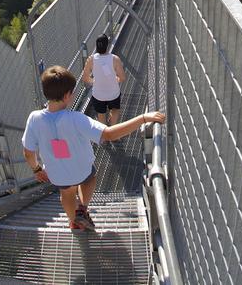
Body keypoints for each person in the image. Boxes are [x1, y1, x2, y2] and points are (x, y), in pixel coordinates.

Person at [22, 65, 165, 231]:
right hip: (81, 169)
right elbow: (109, 134)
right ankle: (82, 207)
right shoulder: (76, 119)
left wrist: (36, 168)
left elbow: (28, 152)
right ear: (68, 95)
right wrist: (142, 118)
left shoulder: (34, 118)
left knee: (66, 193)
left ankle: (73, 220)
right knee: (90, 178)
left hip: (56, 174)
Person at [81, 34, 126, 125]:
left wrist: (94, 81)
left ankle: (104, 135)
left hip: (98, 95)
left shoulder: (91, 59)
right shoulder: (115, 59)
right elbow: (122, 78)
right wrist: (115, 79)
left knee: (101, 115)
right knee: (115, 110)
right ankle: (113, 129)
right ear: (107, 45)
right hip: (113, 93)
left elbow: (85, 78)